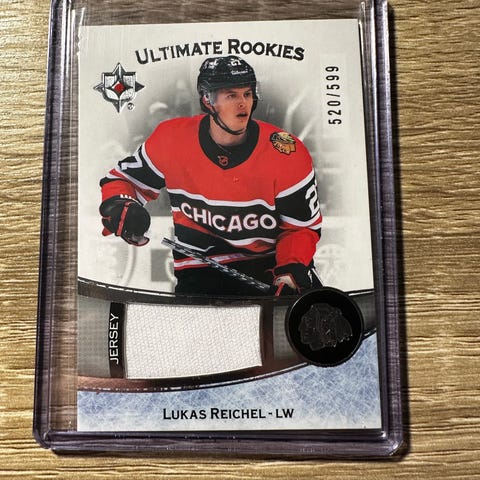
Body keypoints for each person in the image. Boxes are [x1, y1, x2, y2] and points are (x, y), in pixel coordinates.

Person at [99, 55, 322, 296]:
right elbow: (122, 180)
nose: (243, 104)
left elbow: (301, 228)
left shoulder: (285, 152)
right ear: (207, 99)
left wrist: (289, 272)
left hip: (268, 267)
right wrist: (121, 205)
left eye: (247, 94)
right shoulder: (172, 140)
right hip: (199, 271)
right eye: (231, 95)